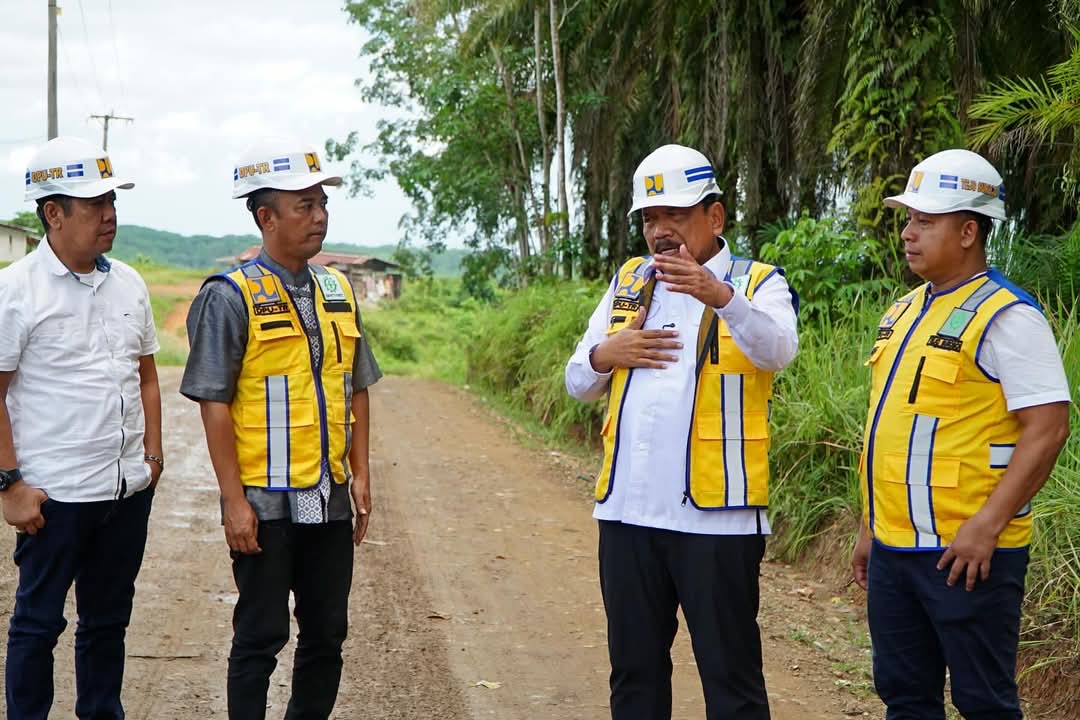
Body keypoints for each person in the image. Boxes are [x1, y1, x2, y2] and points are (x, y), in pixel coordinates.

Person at [565, 144, 799, 720]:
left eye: (674, 215)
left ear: (713, 218)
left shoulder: (757, 282)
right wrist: (605, 353)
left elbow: (778, 350)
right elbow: (577, 380)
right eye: (649, 218)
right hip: (627, 515)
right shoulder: (629, 282)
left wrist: (720, 297)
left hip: (715, 518)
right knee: (635, 675)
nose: (660, 231)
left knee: (731, 679)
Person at [851, 149, 1071, 719]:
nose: (908, 233)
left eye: (925, 221)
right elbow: (888, 428)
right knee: (904, 697)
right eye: (908, 219)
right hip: (894, 551)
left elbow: (1047, 430)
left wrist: (986, 527)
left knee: (984, 703)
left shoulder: (1009, 317)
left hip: (967, 554)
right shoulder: (902, 311)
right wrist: (869, 526)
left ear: (969, 230)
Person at [180, 138, 381, 720]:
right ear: (266, 217)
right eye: (304, 206)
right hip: (265, 505)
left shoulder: (339, 291)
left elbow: (357, 386)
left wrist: (362, 472)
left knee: (327, 634)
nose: (319, 216)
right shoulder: (230, 297)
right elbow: (213, 402)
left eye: (322, 204)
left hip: (328, 498)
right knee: (261, 636)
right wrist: (232, 502)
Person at [0, 136, 162, 720]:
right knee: (38, 624)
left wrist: (154, 461)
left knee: (107, 623)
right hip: (55, 495)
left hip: (123, 492)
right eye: (94, 206)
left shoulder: (130, 284)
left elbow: (146, 376)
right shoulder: (16, 291)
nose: (109, 216)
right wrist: (8, 484)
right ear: (53, 213)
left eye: (112, 202)